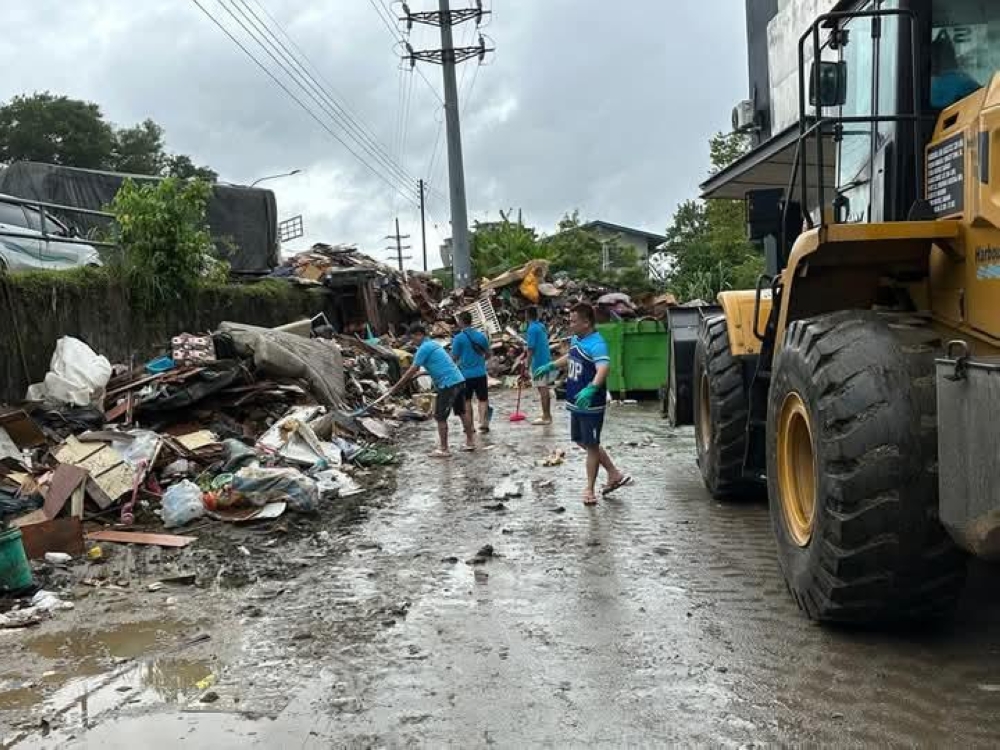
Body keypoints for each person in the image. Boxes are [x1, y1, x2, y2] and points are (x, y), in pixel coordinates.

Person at [534, 302, 631, 505]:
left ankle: (589, 489)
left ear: (586, 322)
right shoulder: (579, 338)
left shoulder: (597, 344)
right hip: (576, 401)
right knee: (583, 441)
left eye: (574, 321)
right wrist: (551, 365)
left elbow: (603, 368)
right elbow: (572, 356)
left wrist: (592, 388)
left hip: (590, 403)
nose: (570, 324)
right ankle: (613, 473)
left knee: (592, 445)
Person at [385, 323, 476, 457]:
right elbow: (439, 364)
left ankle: (444, 449)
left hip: (448, 384)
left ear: (419, 335)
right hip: (458, 380)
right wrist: (422, 374)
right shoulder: (433, 344)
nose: (412, 342)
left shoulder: (424, 348)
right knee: (462, 412)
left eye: (413, 338)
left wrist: (396, 387)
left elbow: (412, 369)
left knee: (440, 416)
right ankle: (470, 443)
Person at [451, 311, 493, 433]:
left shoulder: (458, 339)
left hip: (465, 375)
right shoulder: (481, 336)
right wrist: (480, 361)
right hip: (480, 373)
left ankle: (470, 427)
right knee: (483, 399)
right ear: (471, 321)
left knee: (467, 400)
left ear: (461, 322)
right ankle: (484, 423)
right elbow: (488, 354)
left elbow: (454, 358)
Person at [524, 306, 554, 425]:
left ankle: (546, 416)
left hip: (538, 362)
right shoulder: (541, 326)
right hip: (545, 359)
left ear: (527, 315)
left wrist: (527, 365)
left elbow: (530, 349)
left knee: (543, 389)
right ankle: (546, 414)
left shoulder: (532, 329)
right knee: (544, 388)